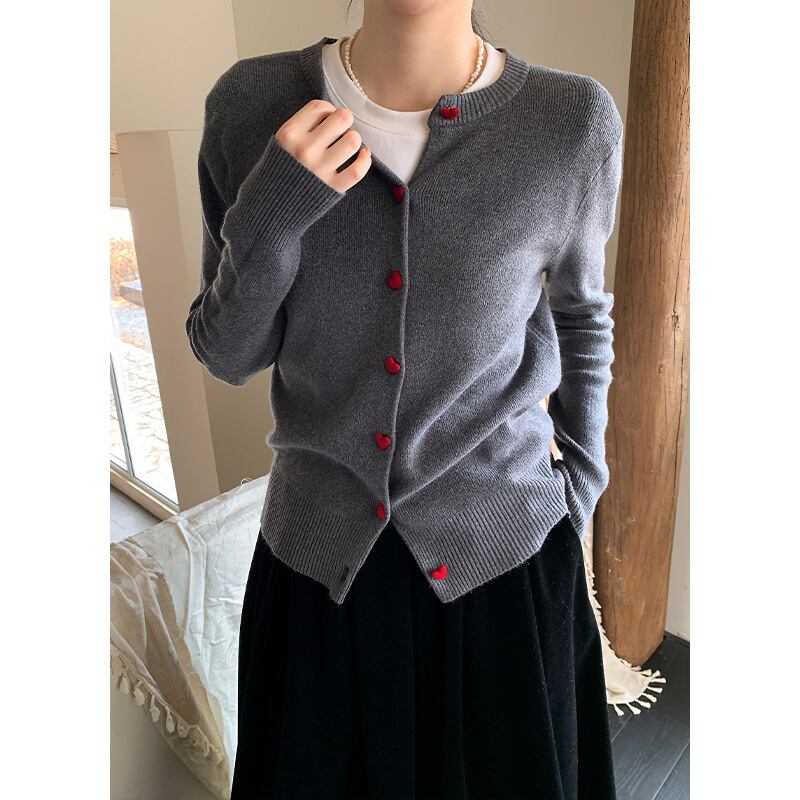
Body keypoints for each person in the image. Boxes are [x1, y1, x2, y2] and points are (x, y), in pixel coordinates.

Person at [186, 3, 623, 798]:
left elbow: (582, 315)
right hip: (316, 572)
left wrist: (581, 490)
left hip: (504, 567)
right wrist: (274, 211)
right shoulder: (250, 104)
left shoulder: (570, 121)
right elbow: (227, 353)